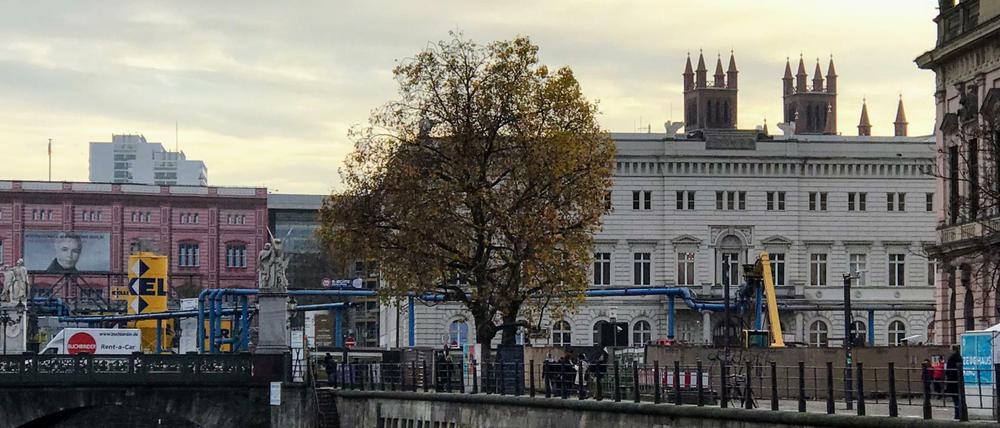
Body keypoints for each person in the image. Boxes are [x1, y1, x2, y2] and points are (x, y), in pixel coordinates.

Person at [945, 345, 964, 419]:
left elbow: (948, 370)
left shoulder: (951, 358)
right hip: (959, 380)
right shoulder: (960, 358)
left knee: (955, 399)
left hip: (952, 381)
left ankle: (957, 415)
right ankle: (960, 414)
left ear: (953, 350)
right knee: (959, 398)